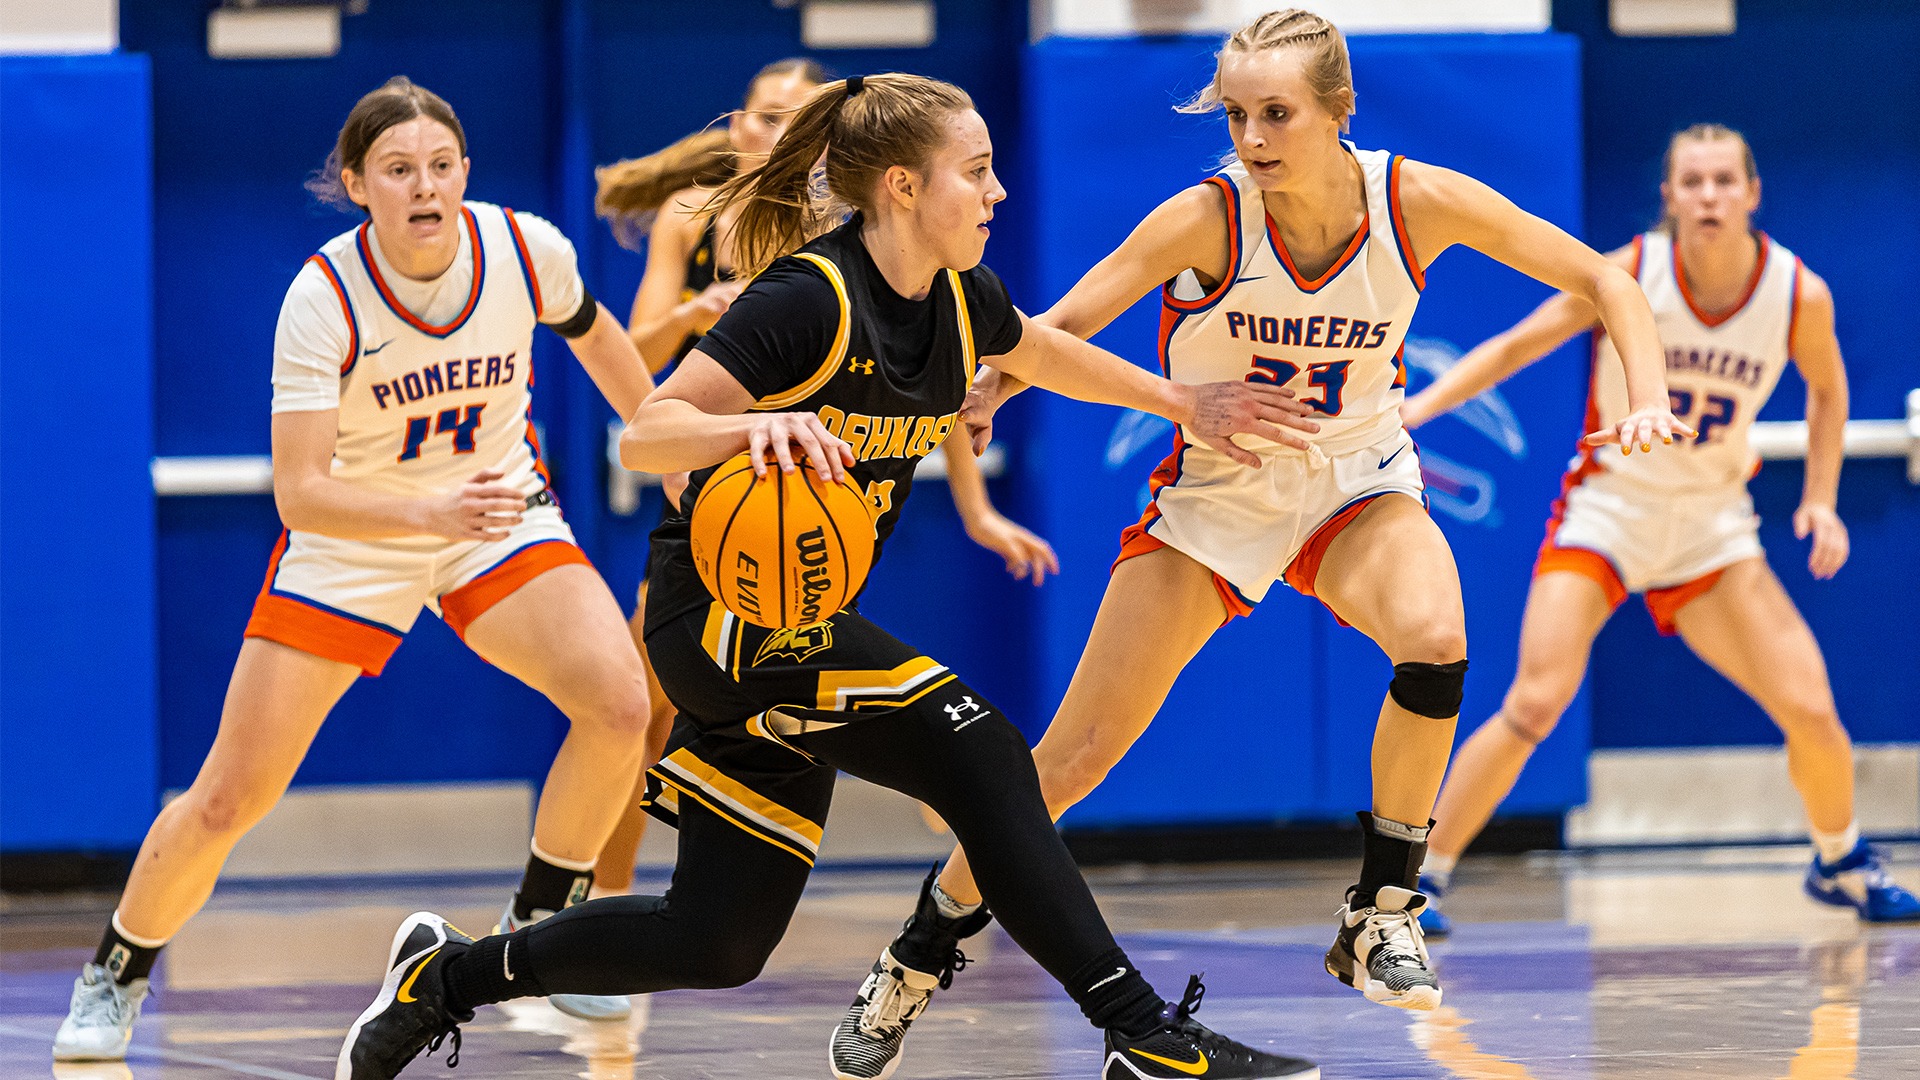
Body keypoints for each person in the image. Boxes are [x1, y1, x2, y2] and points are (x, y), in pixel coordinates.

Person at [335, 72, 1321, 1080]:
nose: (998, 193)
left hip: (796, 625)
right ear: (902, 186)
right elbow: (646, 436)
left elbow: (1038, 348)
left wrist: (1179, 401)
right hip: (718, 622)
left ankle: (442, 981)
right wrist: (753, 424)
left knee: (715, 941)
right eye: (975, 172)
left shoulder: (961, 300)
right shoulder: (809, 298)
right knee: (981, 754)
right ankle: (1144, 1034)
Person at [825, 10, 1696, 1075]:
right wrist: (994, 383)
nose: (1252, 135)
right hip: (1215, 503)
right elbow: (1063, 320)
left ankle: (1382, 908)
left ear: (1341, 111)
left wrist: (1646, 399)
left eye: (1276, 113)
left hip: (1355, 480)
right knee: (1068, 760)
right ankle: (916, 955)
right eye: (1236, 113)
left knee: (1435, 637)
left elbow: (1606, 281)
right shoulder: (1206, 218)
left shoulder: (1415, 201)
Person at [52, 77, 657, 1061]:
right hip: (352, 537)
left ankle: (535, 934)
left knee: (620, 704)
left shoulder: (527, 250)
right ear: (356, 182)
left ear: (465, 169)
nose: (425, 186)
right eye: (399, 169)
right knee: (229, 794)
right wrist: (426, 510)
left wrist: (659, 430)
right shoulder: (322, 295)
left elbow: (601, 342)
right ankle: (116, 969)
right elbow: (298, 492)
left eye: (442, 165)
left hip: (495, 515)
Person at [1403, 123, 1920, 935]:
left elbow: (1829, 394)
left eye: (1723, 181)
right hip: (1609, 511)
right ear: (1669, 197)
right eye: (1692, 182)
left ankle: (1841, 858)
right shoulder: (1630, 270)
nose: (1708, 196)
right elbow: (1511, 348)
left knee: (1812, 710)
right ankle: (1419, 878)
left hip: (1713, 524)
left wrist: (1819, 499)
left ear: (1752, 193)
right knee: (1535, 702)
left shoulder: (1796, 293)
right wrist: (1417, 410)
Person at [588, 59, 1057, 906]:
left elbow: (925, 379)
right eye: (766, 117)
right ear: (739, 129)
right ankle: (594, 897)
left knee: (740, 730)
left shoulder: (865, 237)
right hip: (716, 509)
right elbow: (643, 362)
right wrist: (697, 325)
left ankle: (940, 781)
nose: (778, 136)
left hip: (808, 512)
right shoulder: (695, 224)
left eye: (794, 120)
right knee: (639, 713)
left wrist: (977, 505)